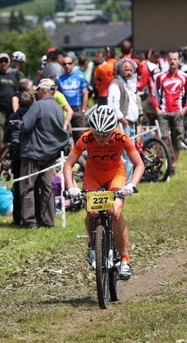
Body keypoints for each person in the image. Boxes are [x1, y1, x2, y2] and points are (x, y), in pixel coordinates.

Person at [63, 106, 144, 280]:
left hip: (116, 175)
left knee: (115, 212)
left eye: (105, 134)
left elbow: (139, 164)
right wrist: (71, 187)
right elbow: (68, 164)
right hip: (93, 175)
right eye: (97, 134)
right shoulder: (86, 138)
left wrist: (131, 184)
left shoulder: (121, 137)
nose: (100, 139)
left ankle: (124, 259)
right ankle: (92, 246)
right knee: (92, 213)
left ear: (112, 131)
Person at [18, 78, 69, 229]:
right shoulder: (59, 108)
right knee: (48, 188)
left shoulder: (38, 105)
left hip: (33, 153)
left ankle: (30, 221)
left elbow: (26, 126)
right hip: (50, 154)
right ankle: (48, 221)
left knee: (27, 187)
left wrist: (19, 124)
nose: (36, 93)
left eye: (38, 91)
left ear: (42, 90)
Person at [152, 51, 187, 175]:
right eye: (171, 59)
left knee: (176, 141)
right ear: (167, 60)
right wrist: (157, 109)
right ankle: (161, 165)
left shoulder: (184, 77)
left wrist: (184, 109)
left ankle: (172, 167)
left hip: (178, 112)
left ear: (178, 60)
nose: (173, 62)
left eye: (175, 59)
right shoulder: (160, 77)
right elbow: (154, 94)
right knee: (163, 140)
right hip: (164, 112)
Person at [4, 91, 34, 227]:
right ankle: (31, 216)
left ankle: (17, 218)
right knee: (30, 184)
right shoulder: (33, 116)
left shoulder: (12, 116)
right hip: (29, 153)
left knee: (17, 184)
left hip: (15, 153)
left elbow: (6, 137)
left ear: (19, 102)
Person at [108, 60, 140, 180]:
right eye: (126, 70)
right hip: (123, 124)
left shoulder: (127, 84)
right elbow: (112, 104)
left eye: (131, 70)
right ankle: (124, 182)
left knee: (130, 154)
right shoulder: (116, 84)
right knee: (125, 155)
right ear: (119, 70)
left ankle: (129, 181)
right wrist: (121, 118)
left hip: (130, 124)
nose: (129, 72)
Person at [58, 55, 89, 142]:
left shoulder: (80, 76)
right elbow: (59, 95)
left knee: (80, 135)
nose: (67, 65)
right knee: (65, 134)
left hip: (77, 108)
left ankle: (81, 154)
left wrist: (83, 110)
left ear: (73, 64)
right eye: (64, 64)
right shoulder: (60, 79)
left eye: (69, 63)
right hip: (65, 110)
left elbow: (85, 94)